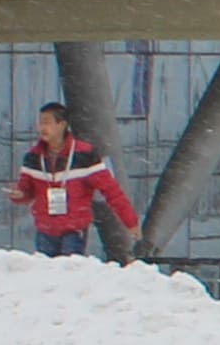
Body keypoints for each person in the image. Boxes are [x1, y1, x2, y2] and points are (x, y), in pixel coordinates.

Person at [12, 101, 133, 258]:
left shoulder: (84, 155)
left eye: (47, 122)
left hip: (74, 229)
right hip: (45, 229)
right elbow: (26, 190)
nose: (42, 128)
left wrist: (130, 220)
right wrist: (19, 194)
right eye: (40, 122)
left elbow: (111, 190)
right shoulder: (33, 157)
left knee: (70, 271)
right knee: (46, 275)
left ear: (62, 124)